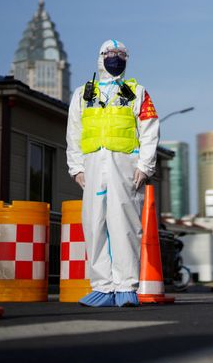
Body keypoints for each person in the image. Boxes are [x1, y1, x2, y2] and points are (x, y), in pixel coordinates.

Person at [66, 39, 160, 307]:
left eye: (121, 54)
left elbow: (150, 129)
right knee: (94, 225)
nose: (115, 58)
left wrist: (145, 165)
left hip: (125, 168)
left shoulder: (137, 92)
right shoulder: (84, 94)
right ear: (100, 57)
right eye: (110, 53)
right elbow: (74, 132)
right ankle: (102, 286)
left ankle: (126, 286)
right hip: (94, 167)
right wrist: (76, 167)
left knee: (125, 226)